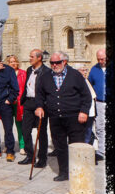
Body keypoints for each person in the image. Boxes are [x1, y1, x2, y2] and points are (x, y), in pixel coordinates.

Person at [35, 51, 91, 181]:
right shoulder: (45, 76)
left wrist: (84, 111)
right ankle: (64, 172)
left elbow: (86, 96)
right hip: (55, 118)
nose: (54, 65)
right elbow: (39, 95)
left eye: (57, 62)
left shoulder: (75, 75)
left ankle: (78, 173)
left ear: (64, 62)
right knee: (59, 146)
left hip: (75, 118)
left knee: (76, 146)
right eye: (52, 63)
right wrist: (39, 106)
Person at [18, 49, 49, 168]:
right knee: (25, 130)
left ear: (39, 58)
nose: (29, 58)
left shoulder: (46, 72)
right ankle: (30, 156)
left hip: (40, 104)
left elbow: (47, 91)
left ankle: (42, 159)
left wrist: (42, 105)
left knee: (41, 133)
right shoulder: (29, 69)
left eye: (32, 56)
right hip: (28, 103)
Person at [87, 48, 107, 162]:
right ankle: (101, 151)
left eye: (102, 59)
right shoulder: (94, 69)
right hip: (99, 103)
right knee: (100, 128)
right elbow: (89, 85)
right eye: (98, 59)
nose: (100, 61)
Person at [8, 55, 27, 155]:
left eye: (15, 61)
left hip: (19, 103)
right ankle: (8, 145)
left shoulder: (23, 74)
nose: (13, 63)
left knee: (20, 125)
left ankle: (22, 146)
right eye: (11, 62)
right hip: (8, 103)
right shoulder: (5, 74)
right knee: (8, 126)